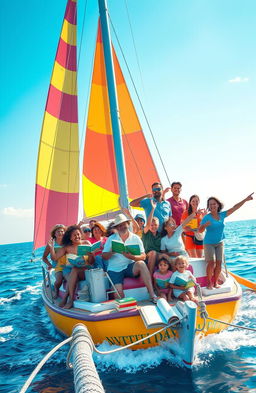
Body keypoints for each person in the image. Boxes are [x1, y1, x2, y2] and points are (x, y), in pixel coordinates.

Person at [199, 193, 254, 289]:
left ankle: (215, 282)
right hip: (208, 243)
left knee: (219, 263)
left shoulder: (222, 215)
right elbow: (200, 230)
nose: (212, 206)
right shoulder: (206, 217)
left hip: (220, 242)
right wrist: (204, 226)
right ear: (208, 206)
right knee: (211, 262)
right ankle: (209, 283)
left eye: (214, 204)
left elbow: (235, 207)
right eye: (210, 204)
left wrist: (245, 200)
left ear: (218, 205)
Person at [102, 213, 157, 302]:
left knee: (141, 263)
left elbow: (143, 256)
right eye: (119, 226)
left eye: (123, 224)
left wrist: (132, 257)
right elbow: (104, 256)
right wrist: (112, 251)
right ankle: (126, 309)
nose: (121, 227)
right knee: (118, 294)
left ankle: (152, 294)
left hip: (129, 266)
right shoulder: (111, 238)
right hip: (114, 269)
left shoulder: (136, 238)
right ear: (116, 228)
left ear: (128, 224)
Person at [48, 225, 95, 308]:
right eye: (74, 235)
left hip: (85, 270)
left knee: (75, 270)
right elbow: (54, 258)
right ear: (70, 238)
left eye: (78, 234)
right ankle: (68, 299)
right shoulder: (66, 248)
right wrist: (51, 248)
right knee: (74, 270)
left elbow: (91, 262)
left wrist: (91, 255)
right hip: (70, 270)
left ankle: (68, 299)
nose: (77, 236)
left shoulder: (87, 244)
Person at [42, 224, 66, 298]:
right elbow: (44, 257)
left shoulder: (67, 242)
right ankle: (56, 290)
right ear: (54, 234)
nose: (60, 233)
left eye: (62, 231)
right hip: (57, 267)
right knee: (59, 280)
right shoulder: (51, 244)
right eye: (58, 231)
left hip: (68, 264)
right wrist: (50, 265)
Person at [142, 200, 162, 276]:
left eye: (155, 225)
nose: (153, 226)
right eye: (152, 225)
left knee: (166, 256)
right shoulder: (146, 232)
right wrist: (153, 209)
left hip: (158, 255)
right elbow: (148, 223)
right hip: (147, 256)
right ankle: (150, 276)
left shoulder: (160, 235)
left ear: (158, 225)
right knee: (153, 253)